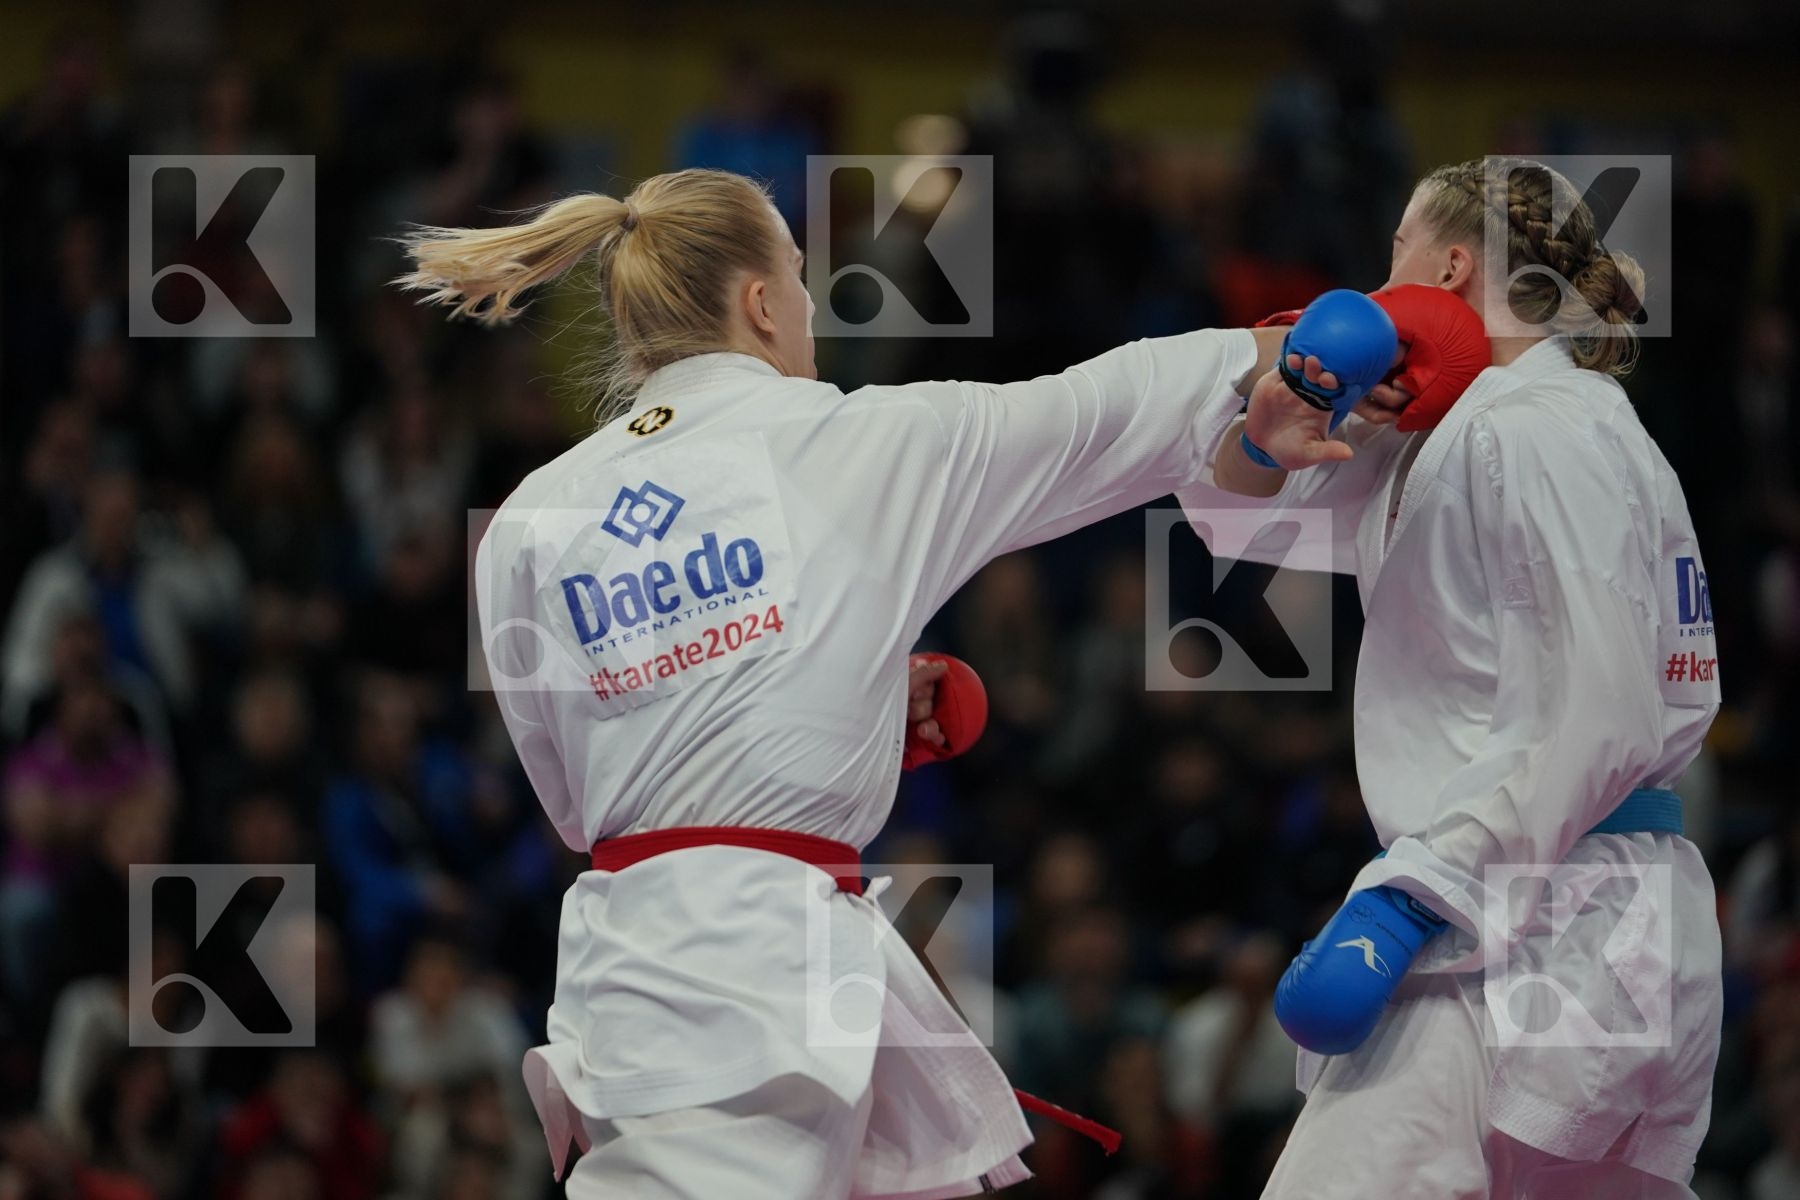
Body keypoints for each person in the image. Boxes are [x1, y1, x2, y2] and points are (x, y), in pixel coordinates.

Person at [394, 167, 1384, 1197]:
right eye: (800, 277)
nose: (811, 309)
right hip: (756, 971)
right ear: (761, 302)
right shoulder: (849, 443)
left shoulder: (524, 521)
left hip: (649, 976)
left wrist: (832, 689)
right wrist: (1335, 341)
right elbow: (1103, 410)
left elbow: (576, 802)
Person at [1188, 159, 1723, 1198]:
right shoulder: (1463, 432)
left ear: (1452, 263)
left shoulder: (1537, 428)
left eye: (1395, 249)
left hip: (1530, 916)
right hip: (1574, 914)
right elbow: (1228, 525)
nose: (1381, 276)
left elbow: (1604, 710)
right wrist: (1267, 431)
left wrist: (1410, 897)